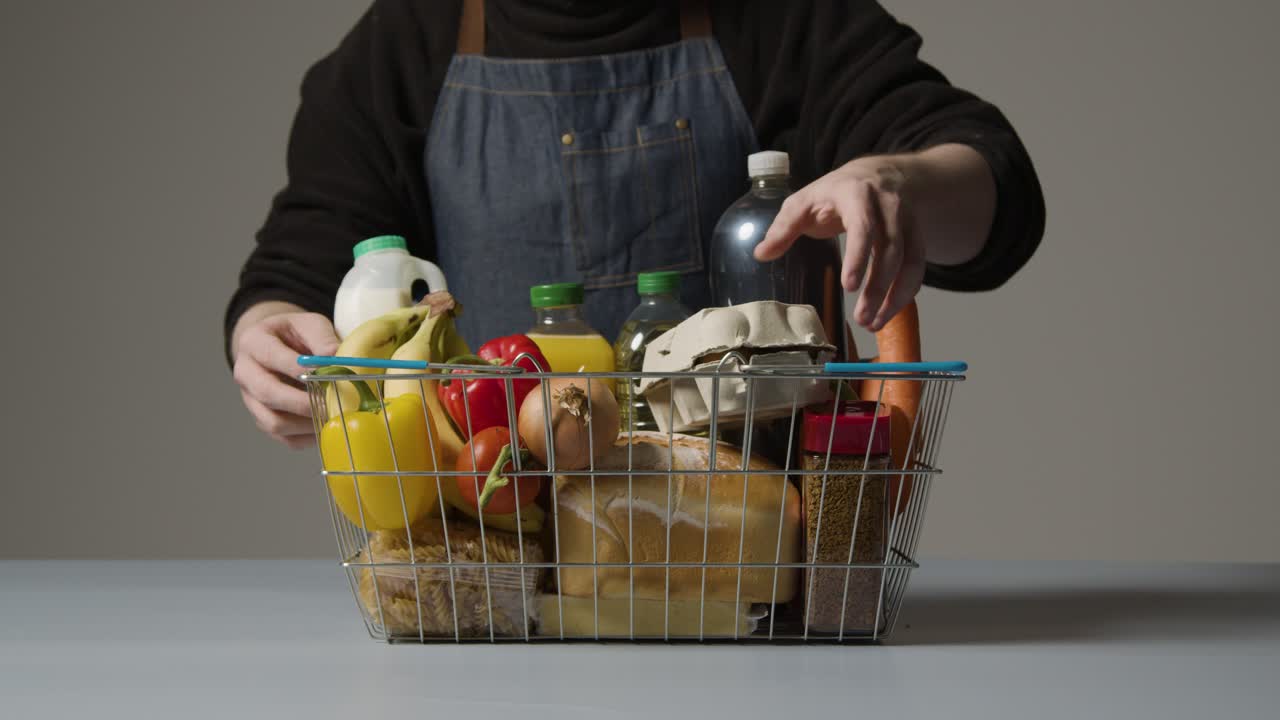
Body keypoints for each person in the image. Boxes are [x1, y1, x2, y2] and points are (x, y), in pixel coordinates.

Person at [227, 0, 1045, 447]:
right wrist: (269, 336)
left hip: (757, 553)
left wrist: (900, 183)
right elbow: (298, 270)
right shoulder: (400, 48)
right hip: (499, 543)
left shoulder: (782, 20)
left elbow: (997, 195)